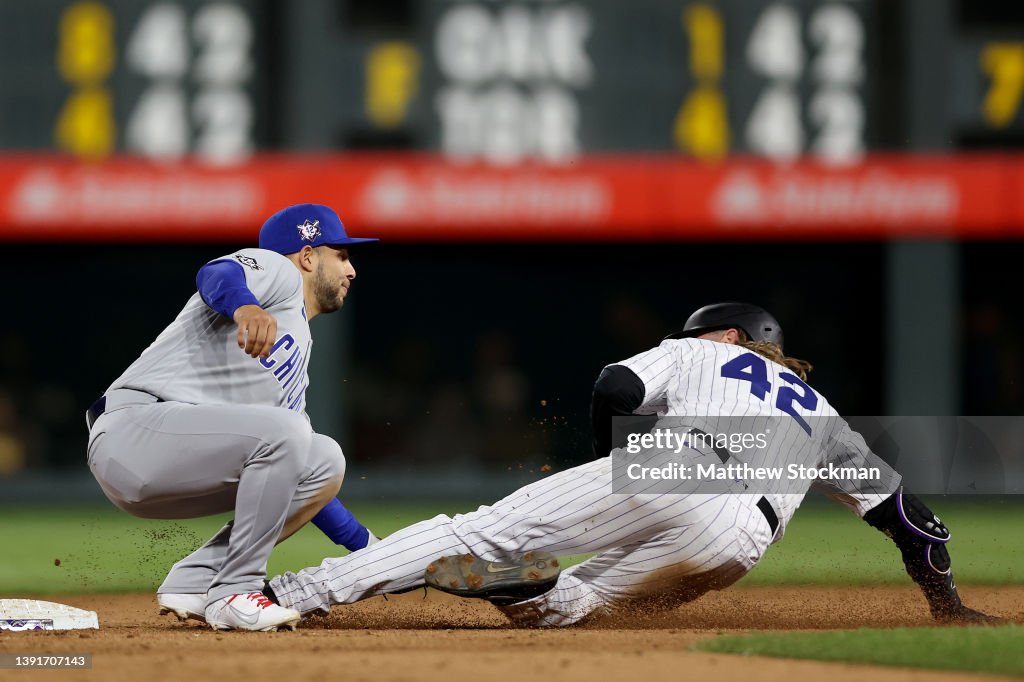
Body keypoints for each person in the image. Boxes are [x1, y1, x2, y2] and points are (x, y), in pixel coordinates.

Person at [266, 302, 998, 627]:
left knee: (477, 531)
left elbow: (615, 386)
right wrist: (947, 609)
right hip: (741, 542)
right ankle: (529, 592)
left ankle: (296, 592)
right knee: (580, 611)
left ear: (734, 332)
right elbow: (914, 520)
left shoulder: (700, 348)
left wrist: (618, 464)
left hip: (680, 462)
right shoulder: (825, 415)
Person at [86, 204, 379, 632]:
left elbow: (299, 477)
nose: (351, 271)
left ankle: (196, 580)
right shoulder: (279, 274)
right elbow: (217, 273)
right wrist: (244, 306)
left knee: (322, 459)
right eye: (343, 255)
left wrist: (370, 550)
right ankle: (236, 590)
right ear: (308, 256)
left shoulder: (297, 352)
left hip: (165, 462)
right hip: (134, 427)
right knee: (295, 435)